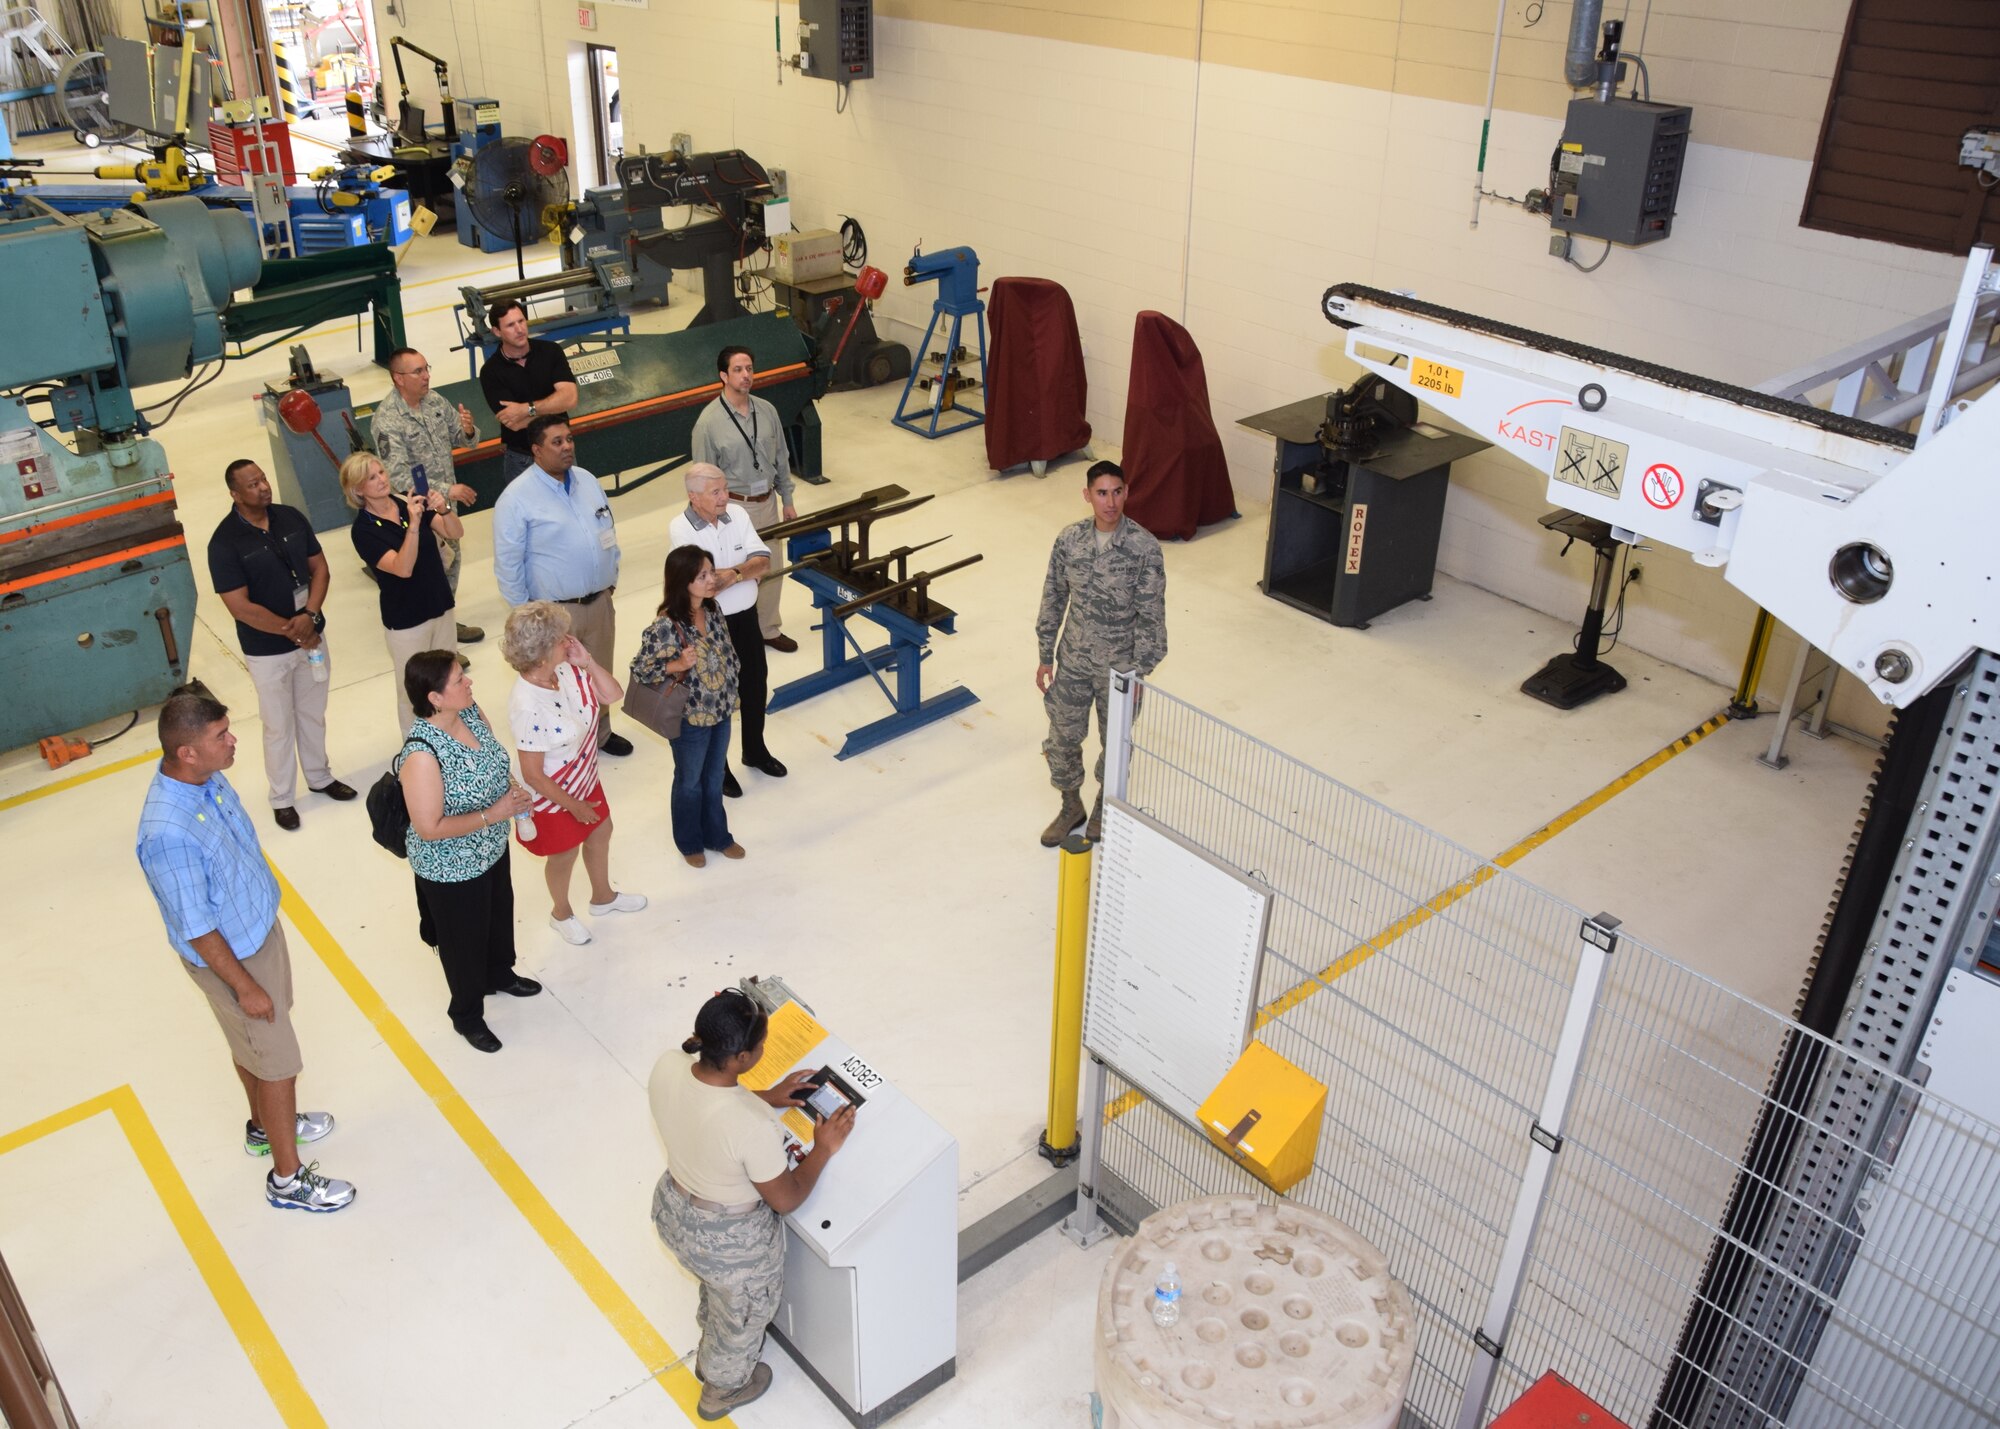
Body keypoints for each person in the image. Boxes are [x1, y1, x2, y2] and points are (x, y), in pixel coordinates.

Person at [135, 684, 355, 1212]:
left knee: (253, 1045)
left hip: (255, 931)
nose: (233, 741)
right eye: (220, 736)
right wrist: (245, 987)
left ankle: (264, 1126)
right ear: (187, 751)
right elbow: (197, 928)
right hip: (233, 959)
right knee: (278, 1062)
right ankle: (287, 1179)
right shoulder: (168, 832)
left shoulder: (206, 778)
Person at [649, 991, 855, 1421]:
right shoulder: (750, 1125)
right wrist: (823, 1147)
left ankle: (714, 1340)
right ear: (742, 1057)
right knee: (742, 1310)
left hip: (673, 1212)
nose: (763, 1049)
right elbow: (787, 1198)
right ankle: (723, 1388)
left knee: (720, 1292)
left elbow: (707, 1108)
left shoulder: (668, 1064)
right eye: (761, 1044)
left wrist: (766, 1096)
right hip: (729, 1245)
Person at [397, 650, 543, 1053]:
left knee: (497, 917)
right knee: (463, 943)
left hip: (491, 848)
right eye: (459, 680)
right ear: (434, 698)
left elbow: (494, 760)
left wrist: (513, 791)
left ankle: (499, 973)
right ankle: (467, 1014)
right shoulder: (422, 755)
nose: (469, 682)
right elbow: (428, 828)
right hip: (452, 869)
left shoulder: (471, 713)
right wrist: (495, 813)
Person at [206, 459, 355, 831]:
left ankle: (319, 777)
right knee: (278, 725)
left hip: (311, 636)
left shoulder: (290, 517)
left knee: (312, 713)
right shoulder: (224, 542)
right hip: (267, 651)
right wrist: (295, 630)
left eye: (263, 479)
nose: (263, 487)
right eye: (252, 484)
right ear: (235, 494)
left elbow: (320, 569)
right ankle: (282, 798)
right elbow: (240, 607)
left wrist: (310, 615)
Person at [1034, 460, 1168, 846]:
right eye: (1102, 493)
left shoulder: (1143, 547)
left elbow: (1152, 617)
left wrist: (1138, 672)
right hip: (1073, 662)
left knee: (1116, 745)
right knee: (1061, 739)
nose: (1110, 502)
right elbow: (1053, 597)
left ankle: (1102, 806)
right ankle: (1070, 805)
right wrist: (1045, 654)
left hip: (1119, 671)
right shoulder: (1070, 540)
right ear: (1087, 495)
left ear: (1127, 493)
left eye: (1117, 492)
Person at [502, 601, 647, 945]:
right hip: (553, 793)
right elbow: (533, 774)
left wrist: (588, 662)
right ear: (540, 654)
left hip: (584, 776)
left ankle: (603, 897)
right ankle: (561, 913)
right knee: (564, 853)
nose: (568, 640)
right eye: (560, 638)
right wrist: (573, 806)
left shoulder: (566, 669)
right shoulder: (527, 705)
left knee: (601, 831)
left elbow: (613, 694)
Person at [492, 417, 633, 756]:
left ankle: (601, 733)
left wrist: (610, 579)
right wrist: (529, 616)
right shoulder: (516, 498)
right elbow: (508, 564)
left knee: (599, 667)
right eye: (557, 442)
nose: (567, 446)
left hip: (599, 601)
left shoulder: (587, 480)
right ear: (536, 450)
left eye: (569, 439)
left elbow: (607, 531)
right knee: (558, 681)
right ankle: (569, 743)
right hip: (553, 613)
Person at [668, 465, 784, 791]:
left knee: (754, 685)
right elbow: (703, 584)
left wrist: (731, 573)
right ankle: (718, 769)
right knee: (716, 696)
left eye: (725, 489)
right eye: (716, 492)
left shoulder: (738, 514)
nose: (725, 497)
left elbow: (764, 561)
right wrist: (742, 572)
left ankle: (755, 750)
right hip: (710, 627)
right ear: (694, 496)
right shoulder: (680, 528)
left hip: (746, 617)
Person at [632, 546, 745, 867]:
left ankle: (718, 836)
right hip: (690, 718)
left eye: (711, 572)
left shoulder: (713, 609)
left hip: (720, 709)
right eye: (702, 576)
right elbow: (641, 669)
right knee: (690, 781)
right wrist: (677, 664)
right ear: (683, 582)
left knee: (714, 777)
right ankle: (689, 842)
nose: (712, 580)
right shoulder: (666, 625)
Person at [371, 345, 486, 644]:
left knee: (451, 561)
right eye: (418, 371)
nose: (426, 376)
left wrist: (468, 430)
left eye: (426, 368)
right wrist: (448, 490)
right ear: (398, 378)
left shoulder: (434, 401)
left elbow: (464, 439)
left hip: (445, 505)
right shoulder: (387, 420)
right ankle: (434, 640)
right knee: (428, 569)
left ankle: (446, 624)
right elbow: (397, 477)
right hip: (418, 511)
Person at [344, 450, 463, 738]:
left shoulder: (406, 503)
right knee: (413, 690)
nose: (381, 480)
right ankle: (416, 745)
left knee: (449, 679)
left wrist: (443, 509)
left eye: (381, 472)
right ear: (358, 490)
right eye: (371, 478)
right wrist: (414, 525)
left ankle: (452, 736)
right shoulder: (363, 530)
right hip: (407, 620)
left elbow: (455, 533)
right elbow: (402, 568)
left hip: (440, 604)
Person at [690, 345, 797, 653]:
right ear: (723, 376)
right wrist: (711, 517)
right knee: (735, 572)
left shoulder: (767, 410)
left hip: (767, 502)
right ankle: (731, 637)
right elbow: (703, 477)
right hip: (733, 508)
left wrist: (787, 499)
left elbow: (781, 457)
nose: (746, 375)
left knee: (771, 567)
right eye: (737, 370)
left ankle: (768, 628)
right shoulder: (708, 423)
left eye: (749, 368)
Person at [478, 298, 579, 481]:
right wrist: (555, 410)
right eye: (510, 325)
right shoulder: (490, 372)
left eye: (521, 321)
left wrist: (526, 409)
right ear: (497, 331)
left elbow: (570, 398)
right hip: (521, 461)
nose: (519, 329)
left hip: (561, 452)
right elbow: (513, 422)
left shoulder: (551, 351)